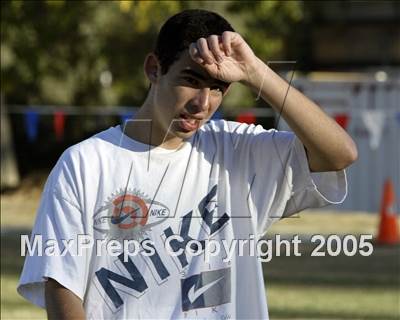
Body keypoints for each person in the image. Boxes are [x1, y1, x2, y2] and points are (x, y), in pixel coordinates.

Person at [18, 9, 357, 320]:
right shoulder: (86, 164)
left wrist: (256, 72)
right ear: (154, 69)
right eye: (191, 81)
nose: (202, 103)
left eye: (217, 88)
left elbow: (339, 154)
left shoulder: (236, 150)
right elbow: (62, 287)